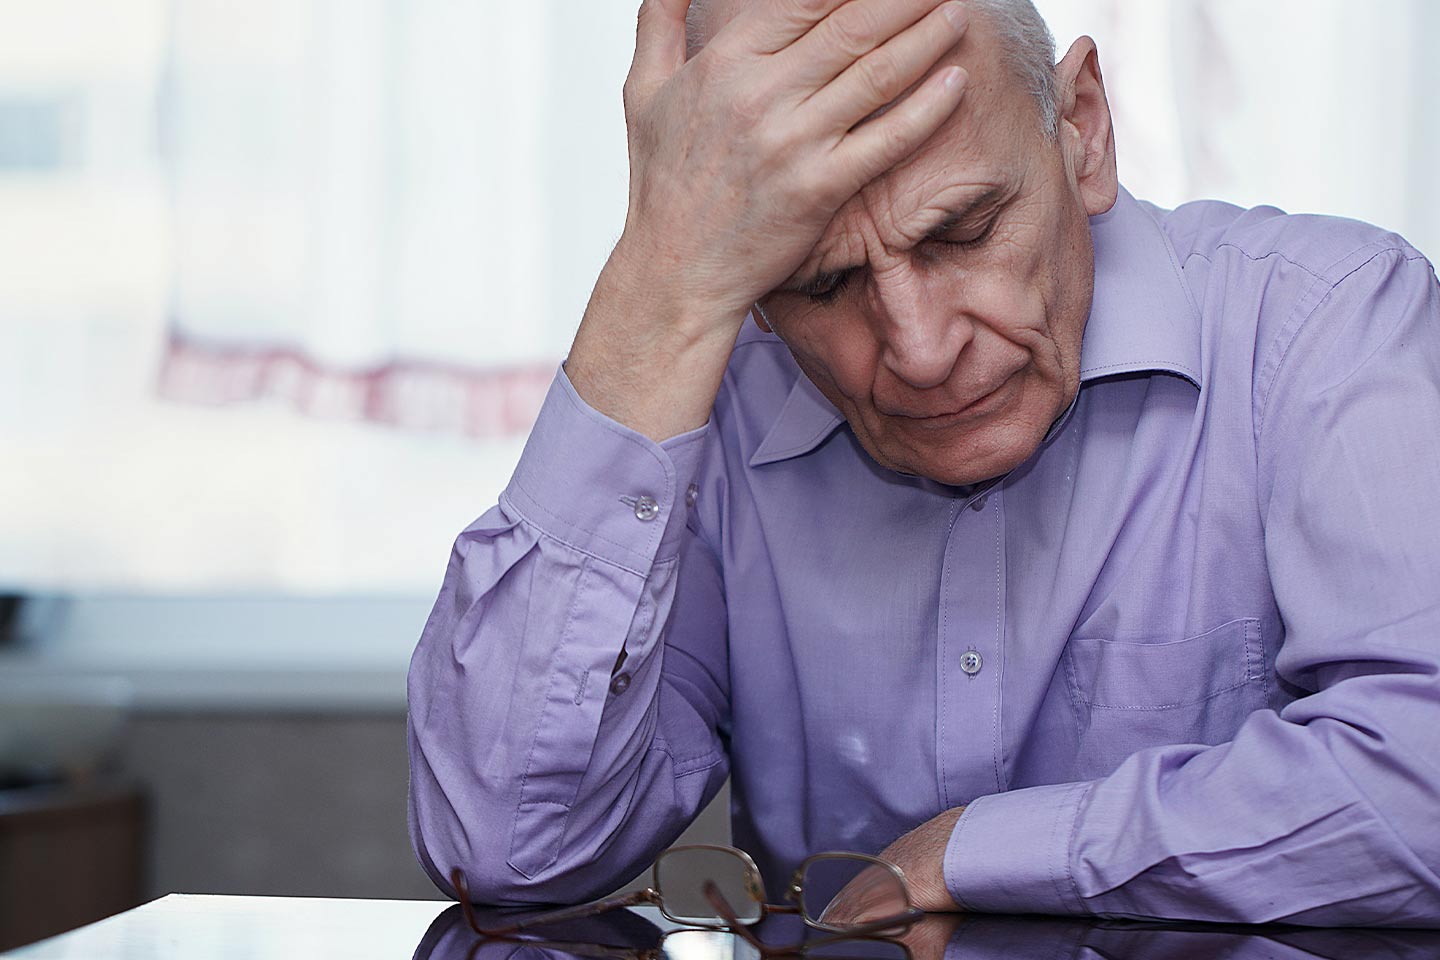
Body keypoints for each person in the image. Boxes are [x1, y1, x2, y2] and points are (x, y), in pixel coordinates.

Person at [407, 0, 1440, 926]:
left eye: (964, 230)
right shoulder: (710, 400)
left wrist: (991, 851)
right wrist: (657, 287)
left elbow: (1425, 787)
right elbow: (503, 850)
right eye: (821, 284)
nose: (920, 347)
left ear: (1081, 127)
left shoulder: (1325, 325)